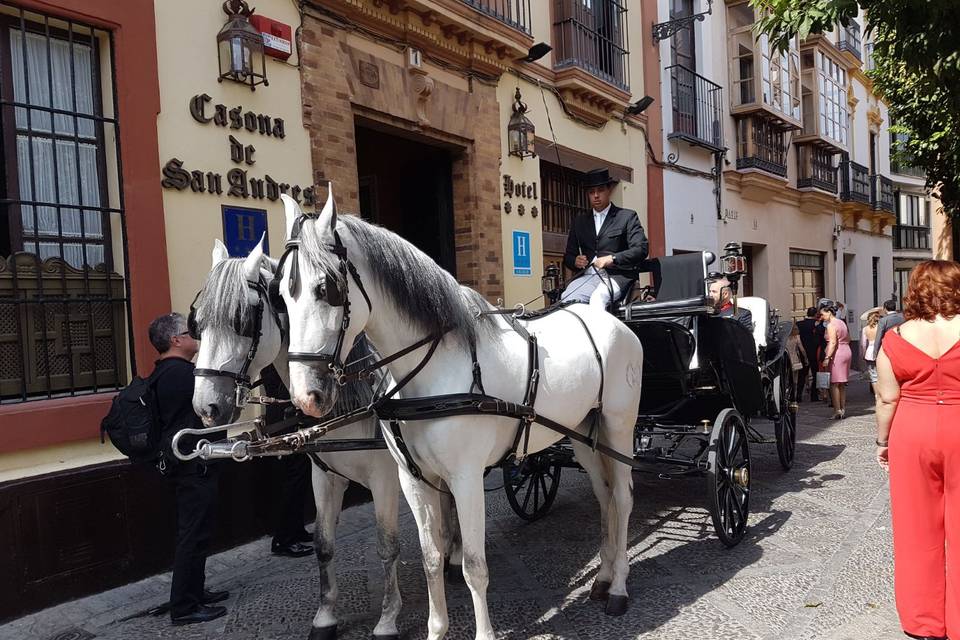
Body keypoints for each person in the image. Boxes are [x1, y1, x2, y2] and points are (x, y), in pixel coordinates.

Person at [875, 260, 960, 640]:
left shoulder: (896, 337)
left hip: (913, 430)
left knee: (915, 529)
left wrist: (882, 441)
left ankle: (924, 623)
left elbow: (887, 398)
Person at [148, 313, 228, 626]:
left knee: (198, 533)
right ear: (175, 340)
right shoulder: (182, 375)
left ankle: (195, 593)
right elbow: (211, 412)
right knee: (192, 536)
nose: (196, 336)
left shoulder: (166, 372)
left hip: (189, 464)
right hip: (195, 467)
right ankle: (183, 607)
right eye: (190, 331)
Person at [561, 168, 648, 309]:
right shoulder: (580, 222)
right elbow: (568, 257)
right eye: (591, 192)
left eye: (600, 190)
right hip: (588, 277)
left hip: (617, 277)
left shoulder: (626, 217)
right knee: (566, 298)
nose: (596, 196)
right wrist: (575, 261)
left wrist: (612, 258)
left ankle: (600, 332)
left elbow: (641, 249)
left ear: (609, 190)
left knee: (598, 298)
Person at [261, 365, 314, 558]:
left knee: (299, 479)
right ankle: (284, 539)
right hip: (285, 424)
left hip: (290, 422)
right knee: (292, 482)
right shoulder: (277, 362)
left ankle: (296, 529)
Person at [819, 299, 851, 419]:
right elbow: (848, 338)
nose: (822, 317)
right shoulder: (841, 322)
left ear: (829, 313)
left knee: (834, 383)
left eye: (823, 314)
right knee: (842, 383)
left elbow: (832, 342)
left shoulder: (831, 325)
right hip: (846, 351)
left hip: (837, 354)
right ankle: (842, 409)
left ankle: (837, 410)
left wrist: (827, 357)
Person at [796, 307, 821, 402]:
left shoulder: (799, 324)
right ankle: (814, 395)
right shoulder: (816, 324)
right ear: (815, 314)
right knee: (815, 374)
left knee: (802, 375)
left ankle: (798, 395)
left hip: (803, 352)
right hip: (814, 353)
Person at [861, 310, 881, 396]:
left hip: (869, 352)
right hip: (879, 351)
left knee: (873, 376)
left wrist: (863, 354)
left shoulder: (865, 329)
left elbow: (863, 344)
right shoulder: (879, 328)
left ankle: (876, 395)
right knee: (881, 374)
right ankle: (881, 393)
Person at [786, 324, 808, 401]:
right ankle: (794, 396)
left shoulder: (785, 338)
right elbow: (802, 349)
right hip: (795, 359)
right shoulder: (797, 337)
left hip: (787, 360)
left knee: (787, 379)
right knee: (795, 380)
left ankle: (788, 396)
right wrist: (805, 358)